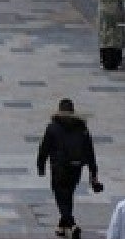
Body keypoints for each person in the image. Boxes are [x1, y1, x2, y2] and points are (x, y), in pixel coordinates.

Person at [37, 98, 102, 237]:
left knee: (61, 196)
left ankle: (71, 224)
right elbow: (89, 151)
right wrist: (93, 172)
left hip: (59, 168)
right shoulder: (82, 128)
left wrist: (40, 166)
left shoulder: (53, 127)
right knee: (67, 195)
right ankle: (62, 227)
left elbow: (44, 148)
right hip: (76, 168)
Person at [97, 0, 124, 70]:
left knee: (104, 36)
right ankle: (116, 61)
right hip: (116, 12)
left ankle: (104, 60)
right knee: (117, 36)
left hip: (103, 13)